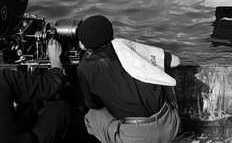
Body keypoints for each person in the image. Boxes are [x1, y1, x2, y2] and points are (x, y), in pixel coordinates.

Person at [76, 15, 180, 143]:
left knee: (92, 116)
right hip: (170, 124)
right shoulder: (126, 47)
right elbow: (175, 61)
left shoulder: (85, 68)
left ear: (82, 45)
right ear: (112, 35)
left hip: (135, 138)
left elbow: (92, 104)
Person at [0, 39, 71, 143]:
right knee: (61, 107)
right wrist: (55, 60)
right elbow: (50, 85)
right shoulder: (3, 77)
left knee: (34, 104)